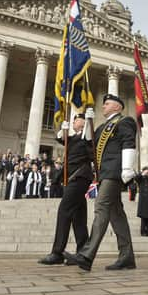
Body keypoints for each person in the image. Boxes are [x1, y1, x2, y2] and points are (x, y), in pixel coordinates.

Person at [66, 94, 137, 271]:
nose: (103, 106)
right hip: (104, 173)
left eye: (107, 104)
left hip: (114, 171)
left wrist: (127, 168)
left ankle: (87, 254)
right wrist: (88, 121)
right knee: (116, 214)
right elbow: (89, 142)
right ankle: (127, 256)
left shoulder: (124, 121)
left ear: (118, 107)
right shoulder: (102, 127)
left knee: (101, 206)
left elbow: (129, 143)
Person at [39, 113, 93, 265]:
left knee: (64, 210)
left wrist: (89, 122)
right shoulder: (73, 138)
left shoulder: (87, 136)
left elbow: (90, 142)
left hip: (79, 177)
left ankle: (57, 252)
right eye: (75, 120)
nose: (75, 122)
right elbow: (60, 138)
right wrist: (64, 129)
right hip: (72, 179)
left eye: (78, 119)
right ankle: (82, 252)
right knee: (78, 216)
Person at [135, 166, 148, 237]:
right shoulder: (141, 179)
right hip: (143, 201)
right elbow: (136, 178)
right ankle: (143, 231)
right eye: (147, 171)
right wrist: (142, 173)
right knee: (144, 218)